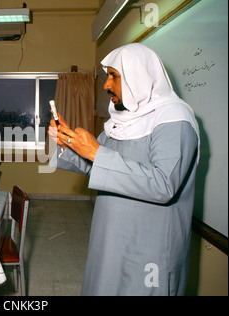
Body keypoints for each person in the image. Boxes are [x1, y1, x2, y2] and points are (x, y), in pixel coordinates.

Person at [48, 43, 200, 296]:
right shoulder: (121, 121)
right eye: (108, 76)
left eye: (114, 76)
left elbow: (164, 185)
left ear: (138, 75)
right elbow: (99, 167)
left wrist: (97, 152)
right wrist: (71, 143)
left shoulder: (175, 119)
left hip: (149, 244)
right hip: (109, 236)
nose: (107, 85)